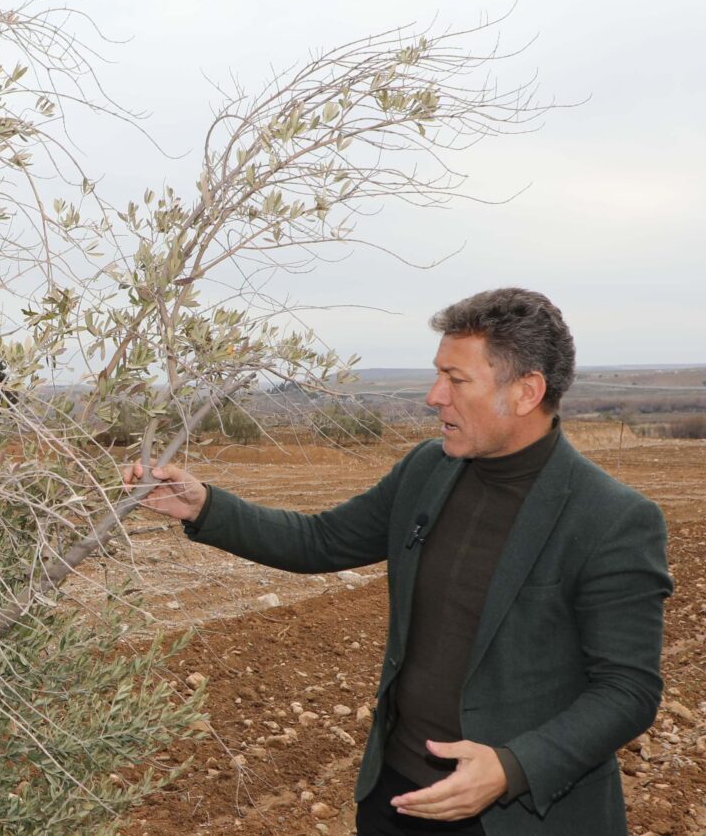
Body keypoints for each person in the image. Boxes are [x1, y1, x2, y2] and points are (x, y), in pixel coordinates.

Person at [124, 288, 672, 836]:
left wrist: (511, 769)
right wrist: (205, 506)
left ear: (526, 391)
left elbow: (628, 690)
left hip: (519, 817)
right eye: (438, 375)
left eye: (456, 381)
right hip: (398, 798)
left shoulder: (610, 519)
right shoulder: (427, 470)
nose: (435, 396)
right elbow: (321, 540)